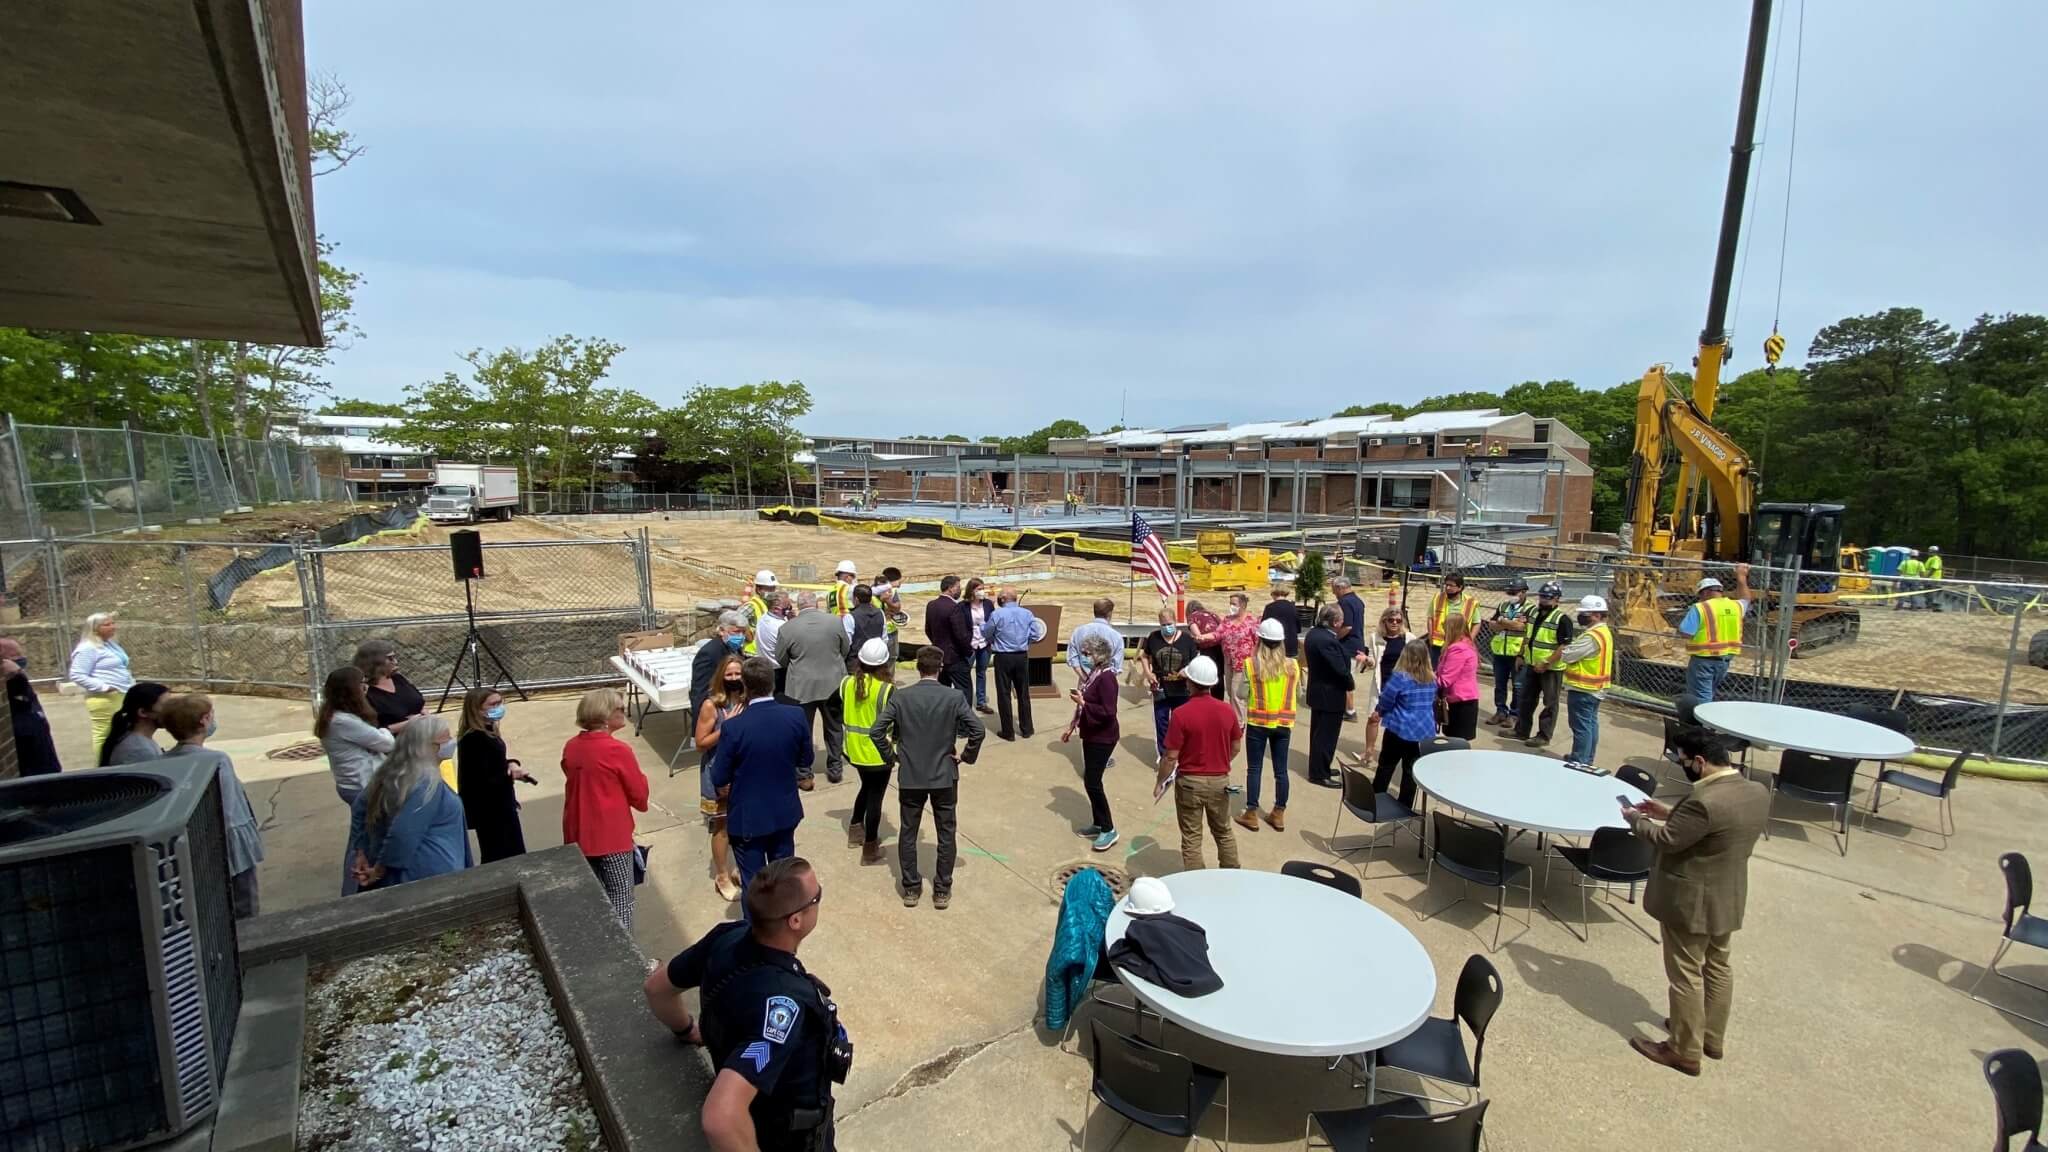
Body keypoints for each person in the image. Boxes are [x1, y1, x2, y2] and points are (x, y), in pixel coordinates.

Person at [644, 857, 847, 1152]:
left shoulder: (725, 938)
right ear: (796, 920)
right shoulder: (783, 1009)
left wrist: (687, 1030)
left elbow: (656, 988)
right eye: (817, 897)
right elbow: (721, 1117)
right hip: (786, 1138)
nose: (820, 900)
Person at [1624, 731, 1770, 1076]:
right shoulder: (1756, 792)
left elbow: (1666, 840)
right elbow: (1716, 824)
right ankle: (1710, 1037)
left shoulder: (1703, 802)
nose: (1682, 765)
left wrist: (1636, 820)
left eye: (1683, 760)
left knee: (1686, 973)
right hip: (1727, 895)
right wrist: (1669, 811)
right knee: (1718, 966)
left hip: (1690, 900)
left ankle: (1683, 1049)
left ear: (1700, 762)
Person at [870, 645, 984, 908]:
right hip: (944, 775)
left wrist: (892, 757)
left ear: (919, 667)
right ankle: (942, 889)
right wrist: (965, 756)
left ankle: (911, 888)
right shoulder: (953, 698)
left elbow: (877, 731)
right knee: (946, 832)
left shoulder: (901, 697)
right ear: (940, 668)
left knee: (908, 831)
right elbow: (977, 730)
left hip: (911, 776)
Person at [711, 656, 812, 911]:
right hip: (784, 813)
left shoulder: (733, 727)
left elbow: (719, 776)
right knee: (782, 879)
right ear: (772, 682)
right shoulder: (795, 715)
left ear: (744, 685)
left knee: (754, 884)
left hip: (748, 818)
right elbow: (806, 758)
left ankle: (754, 938)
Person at [158, 693, 263, 916]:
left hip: (190, 844)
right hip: (228, 843)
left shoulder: (163, 761)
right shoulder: (216, 760)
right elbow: (225, 805)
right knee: (244, 904)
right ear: (204, 720)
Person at [562, 687, 650, 929]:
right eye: (619, 709)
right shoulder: (618, 750)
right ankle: (625, 958)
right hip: (611, 836)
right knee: (621, 897)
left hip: (578, 833)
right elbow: (639, 795)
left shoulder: (572, 746)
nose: (624, 712)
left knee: (594, 899)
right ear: (605, 714)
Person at [349, 716, 471, 891]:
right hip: (426, 877)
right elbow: (403, 833)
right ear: (426, 747)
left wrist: (361, 851)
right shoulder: (426, 783)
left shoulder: (389, 774)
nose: (450, 743)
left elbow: (359, 808)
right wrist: (379, 870)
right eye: (445, 740)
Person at [1156, 656, 1242, 870]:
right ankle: (1232, 876)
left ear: (1190, 683)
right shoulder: (1227, 711)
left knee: (1192, 838)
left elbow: (1170, 756)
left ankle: (1196, 882)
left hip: (1190, 783)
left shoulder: (1181, 714)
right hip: (1219, 781)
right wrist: (1221, 761)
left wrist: (1160, 781)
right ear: (1213, 683)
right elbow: (1236, 746)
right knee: (1223, 832)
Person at [316, 666, 394, 895]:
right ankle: (352, 890)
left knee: (366, 835)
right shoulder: (343, 722)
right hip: (362, 786)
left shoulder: (340, 717)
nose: (365, 688)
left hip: (358, 784)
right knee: (361, 839)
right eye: (361, 684)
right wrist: (386, 732)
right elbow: (385, 742)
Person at [780, 590, 851, 789]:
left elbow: (781, 658)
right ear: (817, 604)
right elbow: (845, 648)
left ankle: (804, 774)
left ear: (798, 606)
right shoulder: (835, 622)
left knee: (803, 731)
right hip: (833, 684)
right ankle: (835, 767)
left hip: (801, 687)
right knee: (835, 727)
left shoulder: (787, 628)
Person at [695, 652, 748, 902]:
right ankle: (722, 875)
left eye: (738, 673)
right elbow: (701, 743)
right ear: (721, 677)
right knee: (722, 826)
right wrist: (728, 725)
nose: (734, 678)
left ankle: (739, 867)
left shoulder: (747, 699)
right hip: (720, 770)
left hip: (743, 769)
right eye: (729, 674)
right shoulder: (711, 705)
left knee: (742, 822)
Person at [456, 686, 532, 865]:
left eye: (500, 702)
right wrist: (510, 775)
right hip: (490, 810)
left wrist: (511, 764)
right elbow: (482, 779)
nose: (498, 707)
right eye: (493, 704)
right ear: (477, 709)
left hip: (500, 805)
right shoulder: (473, 739)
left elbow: (494, 763)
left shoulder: (487, 731)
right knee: (500, 854)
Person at [1235, 618, 1296, 832]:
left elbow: (1241, 694)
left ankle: (1251, 812)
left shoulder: (1251, 665)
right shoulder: (1292, 666)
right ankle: (1278, 812)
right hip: (1283, 723)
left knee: (1255, 768)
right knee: (1281, 770)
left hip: (1258, 723)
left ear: (1259, 640)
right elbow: (1296, 693)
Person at [841, 638, 897, 865]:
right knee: (876, 798)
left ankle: (855, 827)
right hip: (878, 754)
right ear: (885, 664)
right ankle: (870, 847)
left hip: (853, 750)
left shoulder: (846, 683)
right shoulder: (887, 690)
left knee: (866, 787)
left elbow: (835, 708)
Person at [1063, 634, 1122, 852]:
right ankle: (1098, 823)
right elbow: (1086, 704)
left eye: (1087, 653)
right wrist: (1073, 725)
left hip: (1103, 737)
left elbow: (1108, 711)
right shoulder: (1094, 674)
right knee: (1090, 780)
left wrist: (1084, 702)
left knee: (1093, 782)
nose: (1084, 657)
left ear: (1099, 655)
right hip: (1090, 733)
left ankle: (1108, 828)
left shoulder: (1107, 679)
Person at [1371, 640, 1439, 808]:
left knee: (1386, 764)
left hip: (1400, 728)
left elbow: (1387, 699)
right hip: (1423, 730)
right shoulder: (1432, 678)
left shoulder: (1400, 677)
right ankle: (1405, 805)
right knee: (1410, 770)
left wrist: (1379, 711)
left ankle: (1377, 797)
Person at [1553, 594, 1614, 766]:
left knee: (1581, 726)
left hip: (1584, 688)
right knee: (1590, 725)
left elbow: (1568, 655)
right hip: (1595, 687)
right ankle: (1586, 759)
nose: (1581, 617)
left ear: (1596, 615)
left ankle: (1580, 760)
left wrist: (1567, 650)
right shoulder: (1603, 632)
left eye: (1585, 614)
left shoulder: (1592, 635)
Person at [1514, 583, 1575, 749]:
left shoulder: (1562, 619)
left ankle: (1543, 735)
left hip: (1551, 669)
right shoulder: (1533, 612)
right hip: (1532, 664)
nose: (1543, 600)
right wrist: (1520, 655)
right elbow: (1527, 636)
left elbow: (1564, 647)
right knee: (1526, 699)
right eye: (1542, 596)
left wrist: (1547, 662)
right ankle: (1521, 730)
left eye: (1547, 597)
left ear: (1556, 599)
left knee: (1550, 703)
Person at [983, 587, 1047, 741]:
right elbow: (1036, 633)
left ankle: (1008, 731)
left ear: (1004, 599)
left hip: (1003, 657)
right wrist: (1024, 642)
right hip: (1021, 656)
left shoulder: (997, 614)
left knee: (1004, 694)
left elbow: (987, 632)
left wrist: (995, 640)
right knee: (1023, 693)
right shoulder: (1027, 613)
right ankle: (1027, 729)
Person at [1680, 566, 1750, 704]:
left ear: (1705, 592)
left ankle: (1703, 724)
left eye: (1700, 594)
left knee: (1702, 696)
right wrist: (1742, 577)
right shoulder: (1736, 606)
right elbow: (1746, 598)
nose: (1699, 598)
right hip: (1725, 660)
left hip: (1703, 659)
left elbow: (1686, 632)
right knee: (1708, 691)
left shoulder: (1700, 607)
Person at [1302, 603, 1353, 788]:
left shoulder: (1315, 634)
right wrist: (1350, 683)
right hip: (1329, 695)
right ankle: (1319, 773)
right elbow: (1339, 669)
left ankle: (1321, 766)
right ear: (1335, 622)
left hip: (1320, 692)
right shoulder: (1326, 640)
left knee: (1319, 734)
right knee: (1326, 736)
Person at [68, 611, 134, 753]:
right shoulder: (87, 648)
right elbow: (77, 674)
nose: (113, 627)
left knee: (122, 733)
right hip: (104, 699)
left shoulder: (109, 644)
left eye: (113, 623)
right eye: (107, 625)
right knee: (104, 735)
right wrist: (104, 687)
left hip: (121, 693)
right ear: (94, 628)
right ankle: (102, 767)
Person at [1139, 607, 1199, 760]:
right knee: (1161, 721)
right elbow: (1144, 656)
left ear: (1176, 622)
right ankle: (1164, 754)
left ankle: (1183, 752)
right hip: (1160, 688)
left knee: (1183, 723)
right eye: (1163, 624)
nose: (1167, 627)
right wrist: (1148, 672)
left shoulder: (1187, 640)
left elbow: (1195, 662)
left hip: (1182, 690)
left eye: (1169, 623)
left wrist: (1185, 672)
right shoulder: (1153, 638)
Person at [2, 638, 61, 776]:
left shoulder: (19, 679)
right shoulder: (13, 684)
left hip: (43, 750)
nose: (21, 660)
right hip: (30, 763)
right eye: (14, 656)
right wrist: (17, 676)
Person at [1485, 578, 1531, 726]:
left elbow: (1522, 627)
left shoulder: (1530, 608)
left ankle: (1514, 714)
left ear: (1524, 592)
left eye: (1515, 592)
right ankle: (1500, 711)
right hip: (1500, 652)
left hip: (1517, 653)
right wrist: (1506, 624)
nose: (1512, 595)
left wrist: (1503, 622)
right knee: (1500, 685)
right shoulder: (1503, 605)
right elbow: (1492, 624)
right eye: (1510, 592)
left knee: (1518, 686)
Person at [693, 610, 751, 726]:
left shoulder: (735, 648)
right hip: (719, 714)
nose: (740, 636)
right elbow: (700, 692)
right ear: (721, 631)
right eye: (736, 632)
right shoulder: (710, 653)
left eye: (743, 632)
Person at [923, 575, 974, 701]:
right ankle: (963, 719)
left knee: (942, 692)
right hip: (955, 657)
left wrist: (938, 644)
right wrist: (968, 652)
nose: (960, 590)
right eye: (958, 587)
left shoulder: (932, 605)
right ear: (950, 589)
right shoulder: (954, 607)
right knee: (964, 691)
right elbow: (961, 635)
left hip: (939, 656)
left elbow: (928, 630)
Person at [354, 639, 425, 730]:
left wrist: (424, 714)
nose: (395, 662)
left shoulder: (398, 679)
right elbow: (372, 731)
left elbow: (419, 702)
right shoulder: (365, 691)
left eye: (394, 657)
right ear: (375, 662)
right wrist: (409, 724)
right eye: (390, 658)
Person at [100, 681, 170, 765]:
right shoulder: (140, 751)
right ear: (143, 712)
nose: (172, 710)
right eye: (166, 706)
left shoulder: (137, 739)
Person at [1066, 597, 1127, 690]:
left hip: (1084, 684)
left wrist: (1086, 678)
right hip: (1105, 686)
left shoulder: (1078, 631)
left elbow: (1073, 659)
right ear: (1110, 613)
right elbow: (1116, 666)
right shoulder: (1116, 637)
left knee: (1083, 704)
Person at [1437, 613, 1482, 740]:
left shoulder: (1458, 649)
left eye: (1445, 626)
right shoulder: (1467, 644)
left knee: (1457, 742)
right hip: (1464, 700)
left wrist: (1424, 681)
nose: (1443, 629)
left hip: (1461, 703)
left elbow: (1445, 679)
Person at [1216, 593, 1259, 720]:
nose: (1231, 606)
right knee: (1230, 692)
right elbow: (1217, 634)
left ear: (1243, 605)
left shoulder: (1252, 622)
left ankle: (1238, 723)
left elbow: (1258, 642)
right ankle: (1236, 718)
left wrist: (1253, 659)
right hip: (1229, 662)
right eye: (1230, 603)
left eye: (1234, 604)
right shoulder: (1227, 620)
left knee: (1237, 694)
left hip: (1243, 664)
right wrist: (1202, 637)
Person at [1424, 573, 1480, 666]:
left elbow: (1476, 623)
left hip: (1460, 645)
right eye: (1446, 585)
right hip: (1439, 644)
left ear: (1460, 587)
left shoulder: (1470, 602)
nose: (1447, 588)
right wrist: (1430, 637)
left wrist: (1470, 640)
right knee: (1436, 671)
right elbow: (1430, 618)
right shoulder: (1438, 598)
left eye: (1451, 585)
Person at [1332, 575, 1367, 718]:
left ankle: (1350, 710)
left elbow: (1347, 626)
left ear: (1340, 588)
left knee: (1344, 679)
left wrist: (1334, 638)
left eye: (1334, 590)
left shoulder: (1345, 603)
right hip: (1357, 643)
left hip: (1348, 646)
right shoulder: (1358, 601)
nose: (1334, 593)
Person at [964, 577, 995, 713]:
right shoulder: (964, 606)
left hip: (984, 643)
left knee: (981, 672)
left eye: (983, 589)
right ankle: (964, 702)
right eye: (979, 589)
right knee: (965, 673)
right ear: (972, 590)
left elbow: (993, 621)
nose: (982, 592)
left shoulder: (988, 604)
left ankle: (981, 702)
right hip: (970, 643)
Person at [1185, 599, 1225, 700]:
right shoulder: (1212, 614)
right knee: (1219, 676)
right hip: (1220, 645)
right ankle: (1219, 700)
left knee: (1207, 673)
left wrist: (1196, 638)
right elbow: (1222, 628)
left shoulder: (1192, 617)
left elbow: (1198, 635)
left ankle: (1206, 698)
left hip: (1208, 647)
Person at [756, 592, 793, 696]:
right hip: (780, 671)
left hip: (766, 667)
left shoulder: (764, 618)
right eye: (787, 607)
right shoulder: (780, 627)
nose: (790, 609)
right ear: (776, 609)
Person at [843, 584, 887, 668]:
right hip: (876, 661)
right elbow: (884, 638)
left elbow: (847, 643)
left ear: (856, 599)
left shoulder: (850, 617)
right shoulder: (880, 613)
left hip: (856, 663)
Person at [1374, 607, 1411, 700]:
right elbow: (1373, 662)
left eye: (1398, 621)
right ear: (1384, 621)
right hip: (1383, 682)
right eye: (1391, 620)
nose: (1394, 623)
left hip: (1403, 683)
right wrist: (1367, 660)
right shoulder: (1375, 638)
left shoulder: (1409, 638)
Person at [873, 566, 906, 660]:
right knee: (889, 658)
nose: (900, 584)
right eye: (899, 581)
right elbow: (897, 609)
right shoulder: (891, 591)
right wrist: (887, 601)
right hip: (886, 632)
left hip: (881, 630)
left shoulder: (871, 590)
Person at [1261, 586, 1300, 660]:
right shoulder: (1293, 607)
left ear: (1273, 594)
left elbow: (1264, 627)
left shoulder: (1270, 607)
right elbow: (1298, 628)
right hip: (1291, 645)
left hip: (1275, 646)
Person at [743, 570, 777, 655]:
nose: (772, 591)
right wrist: (748, 636)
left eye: (773, 588)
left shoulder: (768, 605)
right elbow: (735, 620)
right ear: (758, 590)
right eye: (769, 589)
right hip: (752, 654)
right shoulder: (751, 606)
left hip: (765, 653)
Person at [1923, 545, 1945, 611]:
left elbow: (1933, 569)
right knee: (1927, 592)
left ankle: (1929, 606)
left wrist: (1926, 577)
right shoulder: (1931, 558)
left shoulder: (1935, 558)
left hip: (1932, 578)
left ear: (1933, 551)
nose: (1928, 552)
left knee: (1929, 592)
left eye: (1929, 551)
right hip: (1930, 578)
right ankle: (1928, 605)